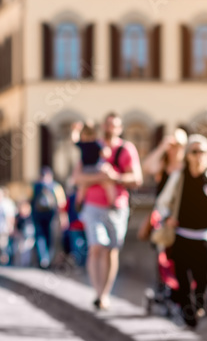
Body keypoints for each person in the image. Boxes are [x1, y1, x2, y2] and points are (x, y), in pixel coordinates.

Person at [154, 134, 207, 329]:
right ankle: (187, 311)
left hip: (204, 236)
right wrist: (167, 218)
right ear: (187, 155)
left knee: (203, 278)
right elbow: (163, 202)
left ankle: (198, 306)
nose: (198, 156)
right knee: (182, 277)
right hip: (181, 234)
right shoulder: (179, 177)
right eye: (194, 152)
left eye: (202, 152)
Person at [73, 112, 143, 310]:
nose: (110, 129)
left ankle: (104, 293)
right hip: (93, 205)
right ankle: (97, 292)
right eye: (107, 125)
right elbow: (77, 177)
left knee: (111, 250)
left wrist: (114, 177)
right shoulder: (94, 146)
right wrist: (100, 178)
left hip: (117, 206)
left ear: (120, 129)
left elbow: (137, 179)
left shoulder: (126, 149)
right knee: (96, 247)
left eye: (114, 126)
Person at [71, 120, 117, 205]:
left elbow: (74, 140)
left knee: (82, 186)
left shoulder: (83, 144)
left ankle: (79, 202)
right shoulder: (97, 143)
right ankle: (113, 202)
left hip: (86, 169)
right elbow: (106, 153)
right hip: (96, 167)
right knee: (108, 184)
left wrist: (75, 130)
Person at [30, 167, 67, 269]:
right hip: (51, 215)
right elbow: (61, 203)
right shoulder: (55, 186)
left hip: (37, 216)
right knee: (50, 237)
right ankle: (49, 259)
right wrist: (63, 217)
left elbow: (29, 200)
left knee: (39, 236)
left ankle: (43, 259)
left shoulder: (35, 186)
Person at [12, 200, 35, 267]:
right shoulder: (18, 216)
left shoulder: (31, 216)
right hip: (20, 234)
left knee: (27, 250)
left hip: (29, 235)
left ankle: (26, 264)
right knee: (18, 249)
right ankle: (18, 264)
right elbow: (15, 224)